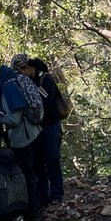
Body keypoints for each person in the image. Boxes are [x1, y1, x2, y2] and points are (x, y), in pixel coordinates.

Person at [0, 54, 43, 221]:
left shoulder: (10, 85)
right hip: (34, 130)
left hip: (25, 135)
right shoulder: (21, 81)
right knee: (35, 171)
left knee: (29, 174)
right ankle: (38, 206)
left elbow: (15, 119)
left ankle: (33, 211)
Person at [29, 56, 65, 208]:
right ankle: (43, 197)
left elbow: (47, 104)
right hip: (37, 129)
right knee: (38, 163)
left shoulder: (46, 80)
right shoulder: (28, 82)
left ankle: (57, 195)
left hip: (50, 126)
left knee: (52, 160)